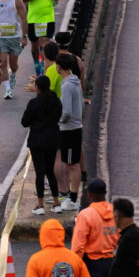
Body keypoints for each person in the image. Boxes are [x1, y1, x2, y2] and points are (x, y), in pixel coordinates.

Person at [21, 75, 63, 215]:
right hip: (52, 139)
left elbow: (25, 122)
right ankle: (56, 203)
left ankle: (40, 205)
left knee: (39, 172)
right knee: (50, 171)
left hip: (37, 140)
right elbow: (59, 117)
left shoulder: (34, 103)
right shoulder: (56, 101)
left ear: (37, 87)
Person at [20, 0, 61, 77]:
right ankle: (37, 63)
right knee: (35, 45)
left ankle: (45, 65)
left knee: (45, 42)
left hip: (48, 18)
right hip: (33, 19)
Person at [55, 54, 84, 210]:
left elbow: (65, 112)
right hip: (75, 127)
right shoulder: (75, 82)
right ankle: (71, 197)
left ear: (59, 67)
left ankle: (72, 199)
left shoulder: (66, 85)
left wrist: (58, 121)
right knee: (71, 163)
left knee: (73, 165)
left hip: (69, 129)